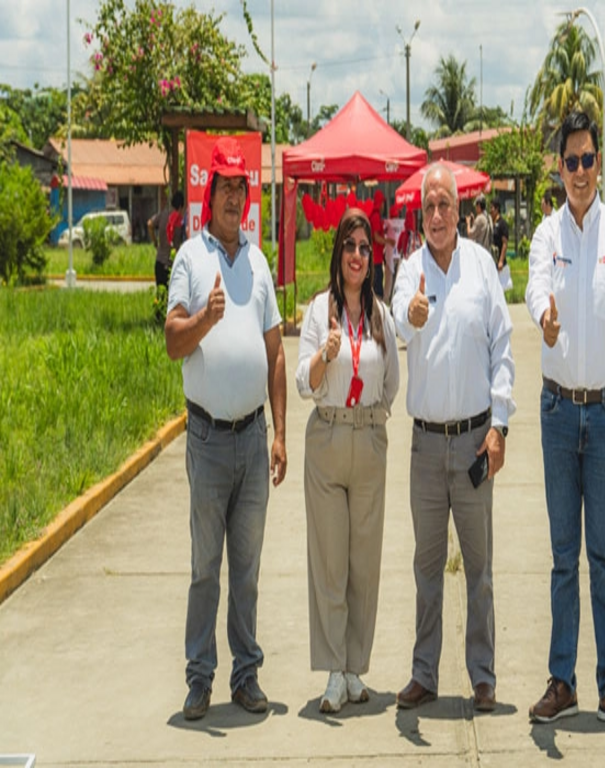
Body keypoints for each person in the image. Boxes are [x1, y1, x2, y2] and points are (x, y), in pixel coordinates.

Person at [525, 110, 605, 731]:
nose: (579, 171)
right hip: (554, 412)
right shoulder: (547, 235)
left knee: (603, 552)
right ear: (560, 167)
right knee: (562, 555)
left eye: (588, 160)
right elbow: (535, 291)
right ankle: (561, 681)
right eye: (570, 161)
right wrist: (544, 319)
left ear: (601, 164)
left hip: (603, 418)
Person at [165, 136, 288, 721]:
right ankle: (198, 679)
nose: (235, 197)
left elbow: (276, 354)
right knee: (204, 567)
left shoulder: (259, 262)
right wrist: (204, 320)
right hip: (209, 439)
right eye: (226, 187)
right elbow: (172, 342)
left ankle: (246, 675)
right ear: (210, 193)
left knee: (248, 566)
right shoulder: (191, 258)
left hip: (252, 435)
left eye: (243, 187)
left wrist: (280, 433)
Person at [391, 162, 515, 713]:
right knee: (426, 567)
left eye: (445, 204)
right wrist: (412, 315)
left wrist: (500, 426)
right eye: (429, 207)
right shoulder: (408, 269)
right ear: (421, 215)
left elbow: (502, 350)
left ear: (459, 210)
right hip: (424, 446)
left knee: (480, 568)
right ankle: (425, 673)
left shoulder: (482, 266)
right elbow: (395, 321)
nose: (437, 215)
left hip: (472, 442)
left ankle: (483, 675)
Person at [296, 207, 400, 714]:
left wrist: (376, 420)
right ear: (337, 254)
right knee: (330, 561)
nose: (357, 256)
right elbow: (302, 382)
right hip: (328, 438)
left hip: (368, 439)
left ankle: (356, 666)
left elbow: (393, 380)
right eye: (349, 246)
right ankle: (334, 670)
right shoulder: (319, 311)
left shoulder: (381, 314)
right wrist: (324, 355)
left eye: (365, 248)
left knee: (364, 563)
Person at [148, 192, 173, 292]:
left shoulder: (163, 214)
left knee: (160, 296)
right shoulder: (179, 217)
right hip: (170, 264)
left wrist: (155, 242)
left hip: (159, 262)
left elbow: (150, 224)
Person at [369, 189, 387, 299]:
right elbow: (376, 237)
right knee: (378, 288)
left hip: (376, 257)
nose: (384, 206)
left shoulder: (374, 215)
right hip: (376, 259)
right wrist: (388, 241)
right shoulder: (375, 217)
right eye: (383, 203)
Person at [490, 198, 509, 271]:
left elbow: (505, 243)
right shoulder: (492, 223)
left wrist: (501, 260)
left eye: (492, 208)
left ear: (497, 209)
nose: (490, 210)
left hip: (499, 260)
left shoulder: (502, 223)